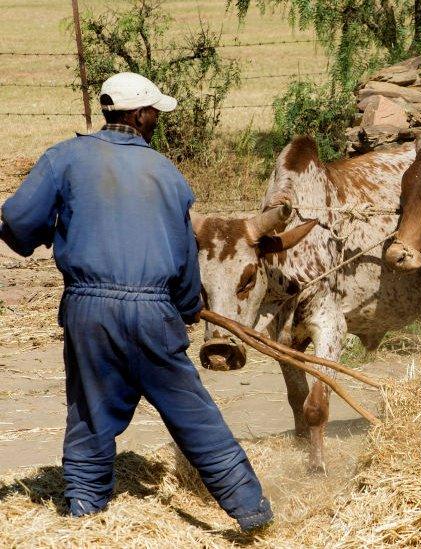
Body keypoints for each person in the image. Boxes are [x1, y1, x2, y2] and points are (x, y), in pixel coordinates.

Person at [0, 72, 273, 531]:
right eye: (154, 115)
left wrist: (54, 230)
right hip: (153, 310)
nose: (156, 123)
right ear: (140, 114)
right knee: (191, 410)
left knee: (90, 408)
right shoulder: (169, 175)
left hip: (88, 309)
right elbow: (186, 265)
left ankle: (85, 511)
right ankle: (250, 510)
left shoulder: (63, 158)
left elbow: (17, 220)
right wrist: (184, 309)